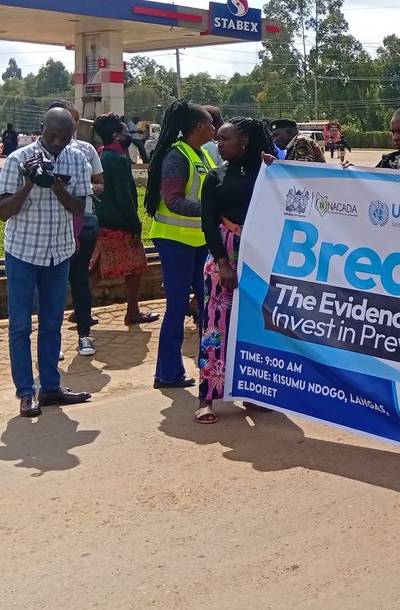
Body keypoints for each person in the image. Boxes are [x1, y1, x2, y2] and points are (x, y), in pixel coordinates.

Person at [0, 107, 93, 417]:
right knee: (21, 326)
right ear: (41, 129)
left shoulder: (77, 159)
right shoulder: (16, 160)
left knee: (52, 324)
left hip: (59, 253)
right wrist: (28, 182)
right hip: (23, 253)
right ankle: (26, 392)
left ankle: (50, 387)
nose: (57, 143)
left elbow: (80, 208)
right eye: (52, 136)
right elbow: (2, 211)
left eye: (64, 138)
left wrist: (55, 184)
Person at [197, 118, 275, 423]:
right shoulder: (215, 176)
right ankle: (207, 397)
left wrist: (275, 166)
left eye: (225, 140)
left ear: (244, 142)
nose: (219, 145)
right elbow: (208, 222)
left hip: (259, 254)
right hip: (225, 253)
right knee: (216, 326)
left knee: (255, 325)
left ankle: (251, 393)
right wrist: (222, 261)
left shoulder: (268, 173)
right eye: (218, 140)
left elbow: (301, 188)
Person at [144, 100, 217, 389]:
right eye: (211, 123)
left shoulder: (200, 154)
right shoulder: (177, 156)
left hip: (199, 241)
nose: (215, 127)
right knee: (177, 306)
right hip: (174, 240)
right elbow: (174, 201)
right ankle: (167, 373)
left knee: (208, 304)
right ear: (199, 127)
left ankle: (210, 367)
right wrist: (211, 208)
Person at [47, 101, 105, 357]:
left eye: (74, 123)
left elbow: (100, 184)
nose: (73, 128)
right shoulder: (36, 155)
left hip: (83, 221)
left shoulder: (85, 151)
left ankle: (84, 334)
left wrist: (84, 189)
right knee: (51, 284)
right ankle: (51, 340)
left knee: (79, 279)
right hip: (50, 226)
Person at [92, 114, 158, 326]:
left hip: (101, 220)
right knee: (136, 268)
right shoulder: (119, 160)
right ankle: (132, 311)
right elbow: (124, 195)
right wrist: (134, 222)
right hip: (119, 223)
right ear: (116, 136)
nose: (128, 135)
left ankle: (81, 309)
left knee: (95, 269)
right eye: (124, 132)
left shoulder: (101, 155)